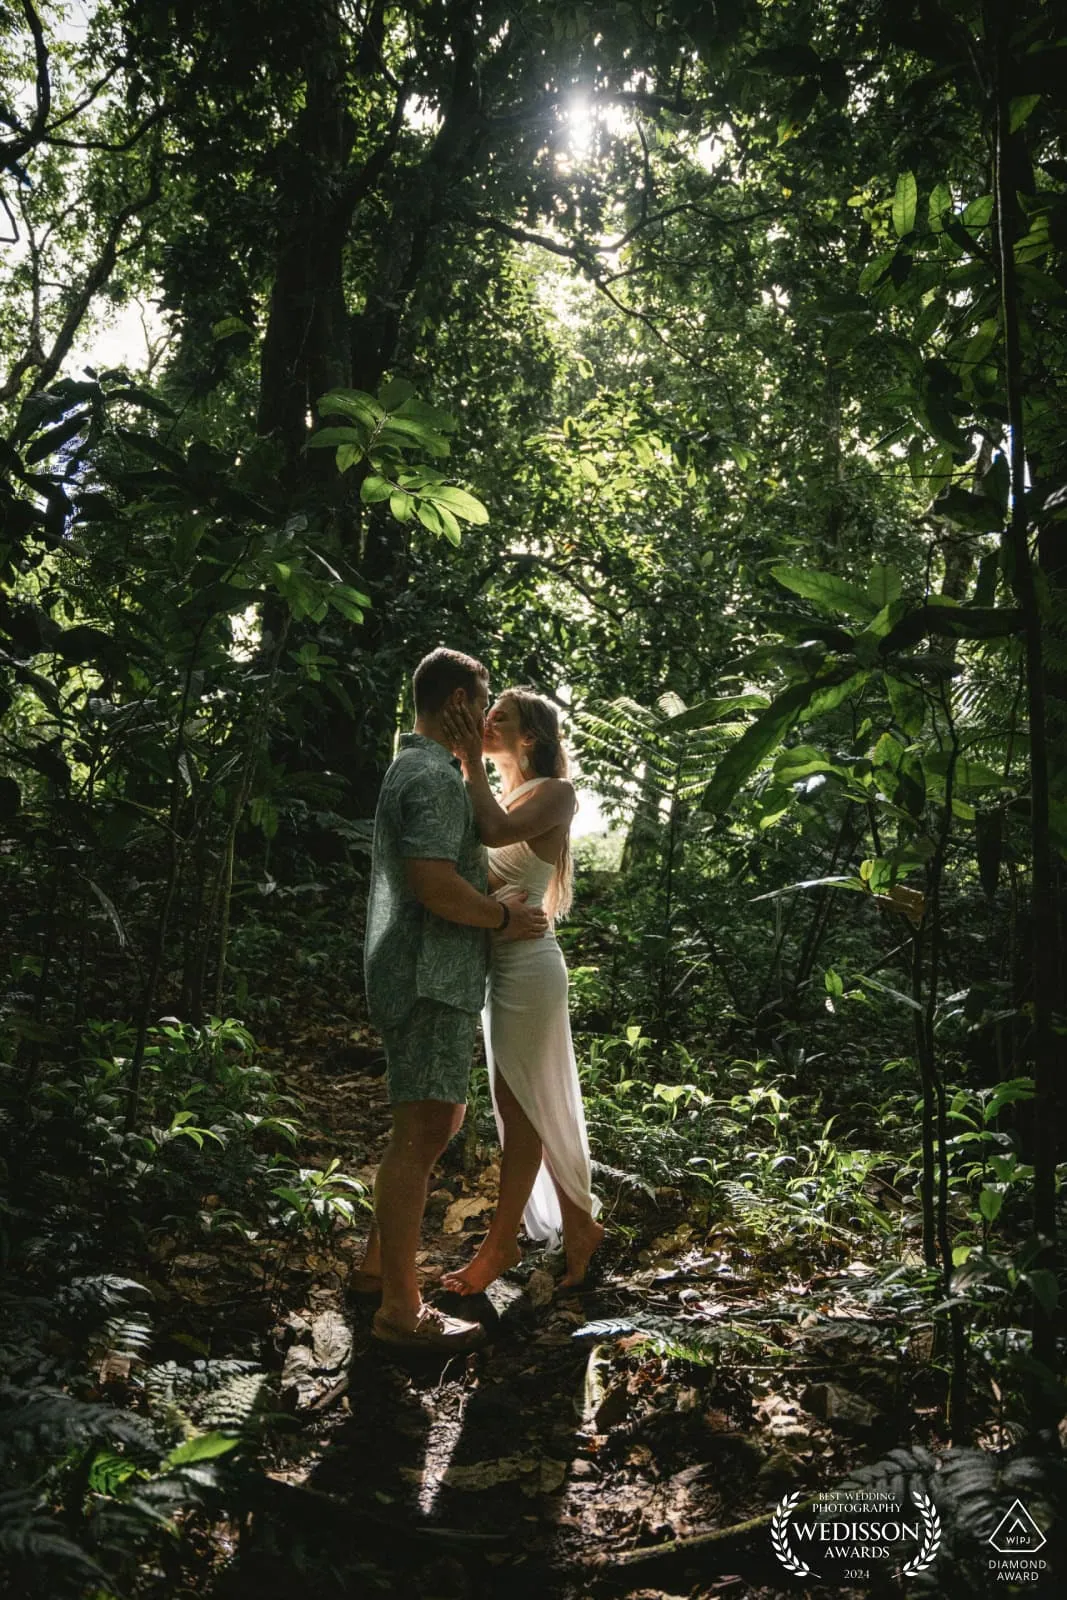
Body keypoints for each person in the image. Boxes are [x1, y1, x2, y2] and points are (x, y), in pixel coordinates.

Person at [357, 648, 549, 1352]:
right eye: (482, 696)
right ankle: (401, 1312)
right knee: (426, 1132)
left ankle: (376, 1272)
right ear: (458, 703)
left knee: (425, 1122)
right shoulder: (431, 777)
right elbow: (435, 886)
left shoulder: (421, 768)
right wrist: (503, 918)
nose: (488, 708)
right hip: (427, 974)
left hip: (425, 971)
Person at [439, 688, 604, 1295]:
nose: (484, 723)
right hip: (498, 965)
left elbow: (495, 828)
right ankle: (578, 1224)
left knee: (525, 1106)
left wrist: (464, 759)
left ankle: (504, 1242)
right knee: (521, 1108)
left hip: (531, 967)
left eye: (498, 717)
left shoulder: (557, 794)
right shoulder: (503, 791)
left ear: (529, 736)